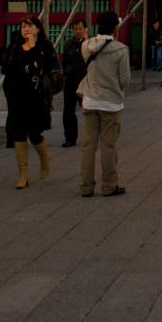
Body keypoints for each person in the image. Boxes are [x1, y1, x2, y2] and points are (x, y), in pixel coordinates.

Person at [77, 10, 132, 197]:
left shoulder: (86, 46)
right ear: (115, 28)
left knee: (88, 145)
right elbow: (125, 79)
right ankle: (109, 185)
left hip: (90, 99)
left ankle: (86, 185)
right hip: (110, 102)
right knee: (108, 146)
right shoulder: (121, 49)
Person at [1, 16, 58, 189]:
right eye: (23, 26)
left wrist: (33, 48)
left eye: (30, 26)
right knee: (18, 134)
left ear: (38, 29)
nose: (25, 29)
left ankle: (44, 158)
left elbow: (43, 65)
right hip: (18, 94)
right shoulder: (16, 46)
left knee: (34, 133)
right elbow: (6, 67)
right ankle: (23, 173)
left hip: (36, 96)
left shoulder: (45, 46)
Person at [59, 21, 90, 147]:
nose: (78, 31)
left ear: (85, 29)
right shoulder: (67, 44)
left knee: (88, 110)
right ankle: (70, 138)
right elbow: (64, 61)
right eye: (76, 29)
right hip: (70, 80)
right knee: (68, 111)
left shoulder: (89, 43)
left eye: (80, 28)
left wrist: (86, 42)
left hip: (84, 80)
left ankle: (90, 137)